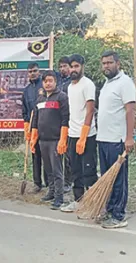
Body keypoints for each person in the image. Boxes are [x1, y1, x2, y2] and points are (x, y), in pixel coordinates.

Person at [95, 51, 136, 229]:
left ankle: (118, 215)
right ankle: (110, 209)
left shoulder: (125, 83)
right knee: (107, 178)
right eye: (104, 63)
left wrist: (128, 138)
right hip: (103, 138)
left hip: (117, 140)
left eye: (110, 63)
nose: (106, 66)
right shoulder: (107, 83)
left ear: (118, 63)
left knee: (119, 179)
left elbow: (130, 111)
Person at [60, 54, 98, 213]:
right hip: (73, 134)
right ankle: (78, 200)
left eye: (77, 66)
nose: (74, 69)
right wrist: (66, 136)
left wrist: (83, 137)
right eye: (71, 67)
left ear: (82, 67)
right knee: (76, 170)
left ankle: (94, 202)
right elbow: (72, 112)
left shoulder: (87, 84)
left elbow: (90, 111)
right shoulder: (69, 86)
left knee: (88, 170)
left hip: (87, 135)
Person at [30, 70, 69, 210]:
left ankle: (59, 197)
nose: (48, 83)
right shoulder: (40, 100)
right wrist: (33, 138)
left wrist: (62, 140)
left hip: (55, 140)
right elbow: (35, 120)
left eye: (50, 81)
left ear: (55, 82)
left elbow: (65, 119)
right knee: (48, 170)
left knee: (57, 170)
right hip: (42, 140)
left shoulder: (62, 97)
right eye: (45, 81)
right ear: (43, 83)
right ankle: (51, 192)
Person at [22, 62, 48, 193]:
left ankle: (49, 183)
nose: (32, 73)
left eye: (35, 71)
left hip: (45, 126)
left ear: (39, 72)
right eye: (30, 71)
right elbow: (24, 110)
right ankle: (37, 183)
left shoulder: (44, 87)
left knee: (47, 156)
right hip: (32, 128)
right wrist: (27, 128)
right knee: (35, 155)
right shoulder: (26, 90)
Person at [57, 56, 73, 193]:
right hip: (57, 121)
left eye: (65, 66)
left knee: (68, 154)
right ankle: (58, 180)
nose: (63, 69)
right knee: (58, 152)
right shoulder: (57, 82)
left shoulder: (73, 82)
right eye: (61, 66)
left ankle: (68, 181)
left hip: (70, 121)